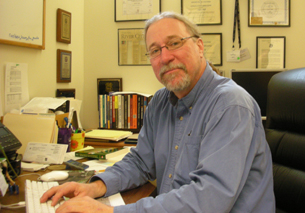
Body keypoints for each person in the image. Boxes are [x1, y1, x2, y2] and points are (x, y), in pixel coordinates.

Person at [41, 11, 275, 212]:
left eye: (174, 43)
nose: (165, 57)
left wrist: (109, 211)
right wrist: (93, 187)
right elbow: (141, 161)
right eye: (154, 50)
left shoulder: (230, 105)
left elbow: (209, 199)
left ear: (200, 46)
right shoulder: (160, 102)